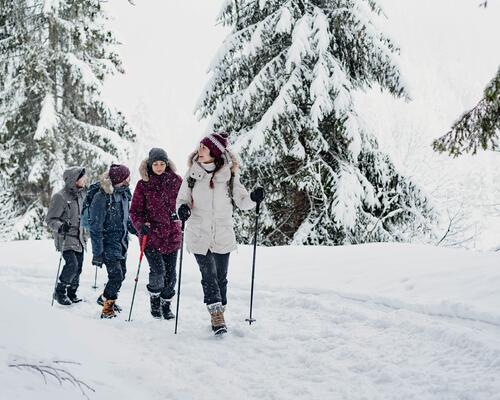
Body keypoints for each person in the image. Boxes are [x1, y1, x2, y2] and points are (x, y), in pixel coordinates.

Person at [176, 133, 264, 335]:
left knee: (221, 278)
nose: (200, 150)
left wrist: (253, 198)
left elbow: (242, 201)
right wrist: (183, 209)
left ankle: (220, 309)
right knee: (209, 276)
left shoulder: (229, 177)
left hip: (222, 234)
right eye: (200, 146)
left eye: (204, 147)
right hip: (199, 234)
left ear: (215, 152)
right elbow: (182, 200)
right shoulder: (192, 175)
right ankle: (216, 314)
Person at [130, 148, 182, 320]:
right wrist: (140, 225)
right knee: (158, 271)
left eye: (162, 164)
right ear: (150, 164)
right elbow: (135, 211)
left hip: (172, 236)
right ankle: (154, 297)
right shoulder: (143, 184)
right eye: (156, 164)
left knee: (171, 275)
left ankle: (166, 303)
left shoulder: (176, 181)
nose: (159, 167)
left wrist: (182, 213)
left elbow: (186, 202)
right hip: (151, 236)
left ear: (166, 164)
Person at [89, 164, 133, 319]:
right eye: (126, 177)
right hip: (108, 243)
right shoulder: (102, 197)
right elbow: (95, 227)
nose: (129, 179)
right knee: (116, 276)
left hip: (121, 243)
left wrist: (138, 230)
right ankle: (107, 309)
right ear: (119, 179)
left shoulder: (124, 193)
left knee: (122, 274)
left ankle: (106, 298)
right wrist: (97, 253)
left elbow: (126, 219)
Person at [46, 167, 88, 305]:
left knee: (79, 267)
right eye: (82, 177)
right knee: (72, 265)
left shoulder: (82, 195)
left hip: (79, 237)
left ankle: (72, 292)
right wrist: (60, 226)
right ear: (74, 180)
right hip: (66, 237)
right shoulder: (60, 197)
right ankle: (59, 292)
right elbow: (50, 219)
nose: (85, 179)